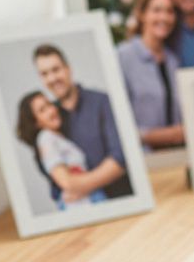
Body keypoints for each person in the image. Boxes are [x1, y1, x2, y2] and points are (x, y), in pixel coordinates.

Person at [30, 44, 131, 200]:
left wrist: (78, 186)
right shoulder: (49, 119)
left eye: (56, 70)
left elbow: (120, 158)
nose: (52, 78)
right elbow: (52, 176)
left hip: (119, 198)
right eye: (44, 74)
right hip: (80, 207)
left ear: (68, 69)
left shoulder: (102, 102)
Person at [116, 0, 184, 151]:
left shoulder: (173, 61)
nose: (164, 17)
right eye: (156, 10)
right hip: (142, 158)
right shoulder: (123, 57)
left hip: (177, 157)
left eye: (169, 11)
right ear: (142, 15)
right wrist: (165, 136)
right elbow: (116, 124)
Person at [14, 91, 105, 210]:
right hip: (81, 204)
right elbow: (66, 182)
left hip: (88, 198)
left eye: (49, 104)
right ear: (36, 122)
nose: (51, 111)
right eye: (42, 110)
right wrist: (98, 179)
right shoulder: (46, 138)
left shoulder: (59, 137)